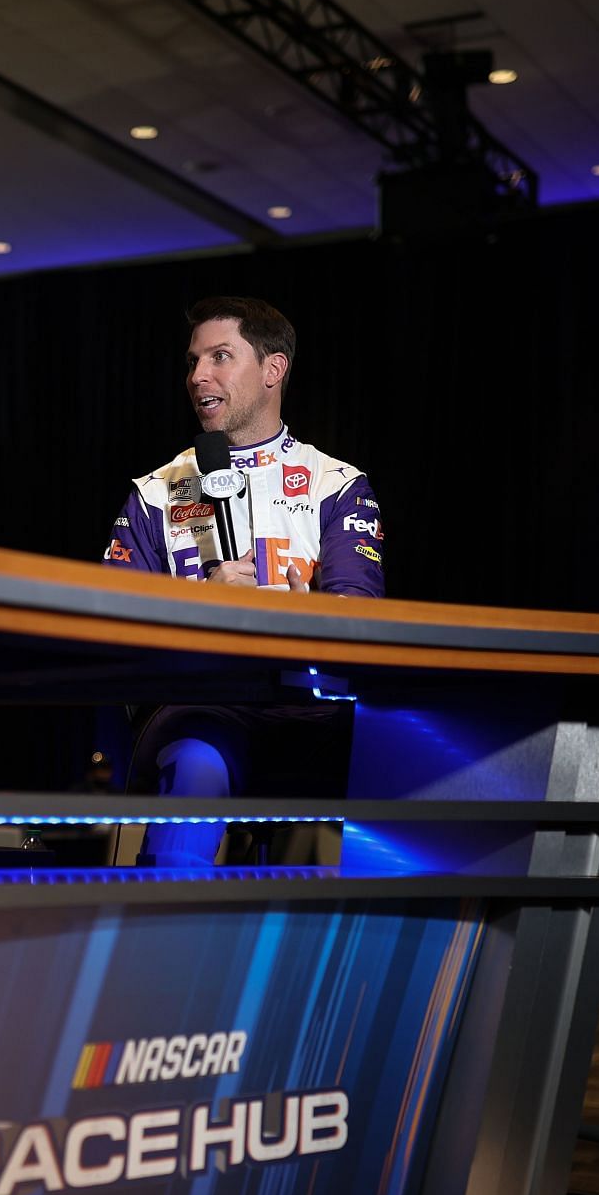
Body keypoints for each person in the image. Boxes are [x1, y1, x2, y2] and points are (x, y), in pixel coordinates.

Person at [101, 296, 384, 865]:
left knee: (411, 760)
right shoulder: (157, 491)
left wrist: (313, 620)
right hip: (201, 708)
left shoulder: (338, 484)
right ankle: (165, 938)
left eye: (220, 356)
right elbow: (110, 619)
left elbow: (362, 614)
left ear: (273, 370)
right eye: (193, 361)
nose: (198, 376)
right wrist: (200, 602)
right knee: (197, 766)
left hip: (314, 711)